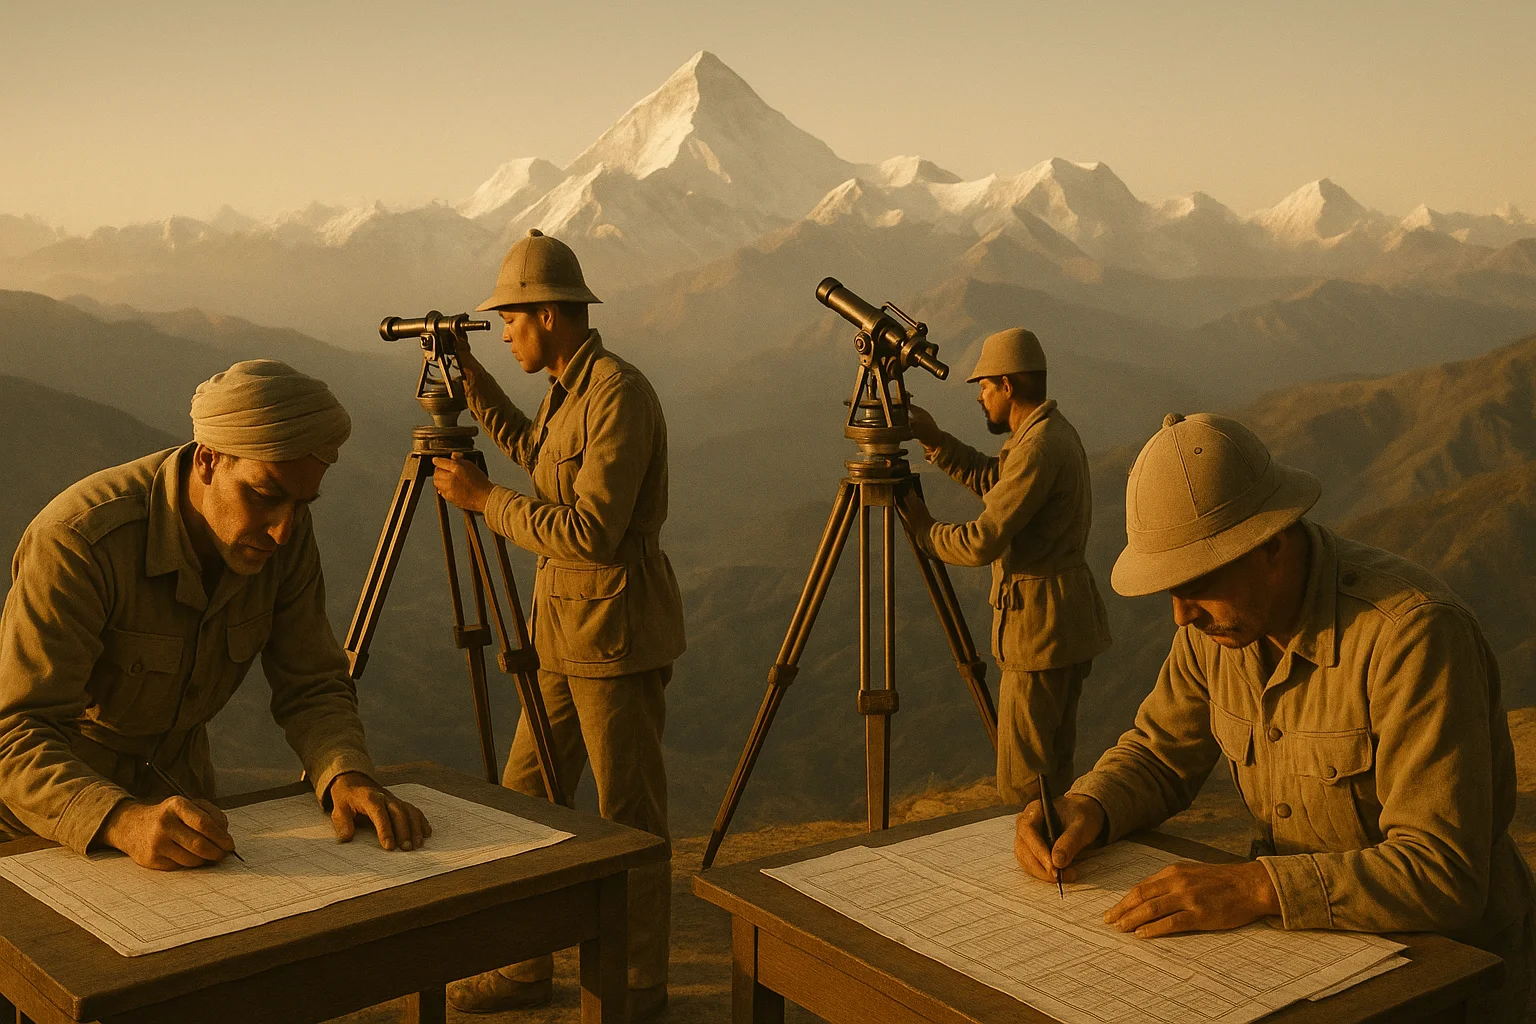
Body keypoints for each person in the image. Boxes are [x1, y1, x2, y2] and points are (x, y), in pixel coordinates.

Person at [1014, 412, 1534, 1020]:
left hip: (1447, 984)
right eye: (1168, 591)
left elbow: (1443, 874)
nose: (1181, 616)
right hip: (1306, 966)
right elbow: (1159, 753)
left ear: (1271, 545)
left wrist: (1258, 885)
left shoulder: (1411, 639)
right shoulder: (1218, 628)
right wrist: (1091, 807)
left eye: (1197, 584)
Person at [0, 359, 429, 871]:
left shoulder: (283, 533)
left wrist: (345, 774)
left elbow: (311, 684)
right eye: (264, 496)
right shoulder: (79, 542)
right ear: (207, 460)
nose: (282, 531)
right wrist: (121, 819)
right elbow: (17, 732)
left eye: (302, 503)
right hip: (48, 823)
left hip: (187, 809)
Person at [433, 229, 684, 1018]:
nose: (503, 331)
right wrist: (472, 384)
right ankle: (522, 967)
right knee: (526, 798)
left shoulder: (618, 394)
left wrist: (482, 503)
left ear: (547, 313)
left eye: (509, 318)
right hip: (560, 637)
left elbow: (590, 532)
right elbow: (538, 458)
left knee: (628, 819)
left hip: (615, 636)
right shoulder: (568, 390)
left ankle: (636, 988)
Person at [901, 328, 1111, 805]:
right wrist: (936, 442)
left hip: (1039, 632)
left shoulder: (1037, 447)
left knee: (1023, 783)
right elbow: (1001, 484)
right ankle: (1057, 859)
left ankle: (1035, 864)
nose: (981, 398)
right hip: (1062, 624)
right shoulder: (1050, 434)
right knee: (1052, 775)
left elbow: (982, 541)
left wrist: (926, 532)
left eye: (984, 386)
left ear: (1008, 385)